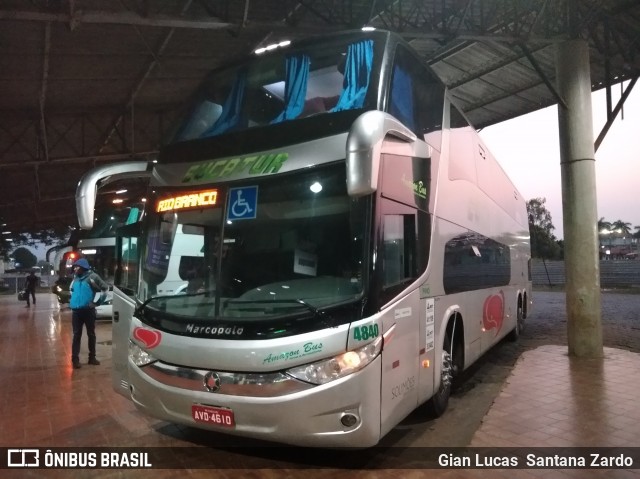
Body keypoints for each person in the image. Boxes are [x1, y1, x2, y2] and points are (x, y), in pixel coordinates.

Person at [69, 258, 109, 369]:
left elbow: (105, 289)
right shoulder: (75, 278)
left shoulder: (93, 277)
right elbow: (72, 290)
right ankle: (75, 359)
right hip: (76, 312)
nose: (75, 269)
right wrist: (73, 301)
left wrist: (97, 303)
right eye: (74, 267)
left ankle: (92, 358)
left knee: (91, 334)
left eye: (77, 267)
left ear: (83, 267)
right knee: (76, 335)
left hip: (88, 311)